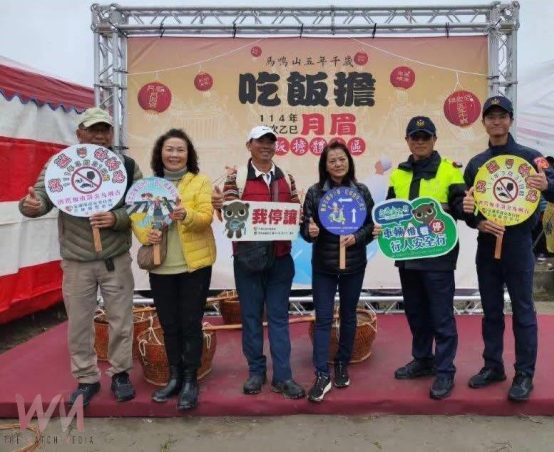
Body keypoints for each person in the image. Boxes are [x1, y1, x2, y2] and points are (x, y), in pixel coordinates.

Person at [18, 107, 142, 407]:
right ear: (80, 133)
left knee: (121, 320)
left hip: (115, 259)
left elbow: (141, 204)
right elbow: (40, 198)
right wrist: (30, 206)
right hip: (76, 261)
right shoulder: (62, 164)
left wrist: (117, 218)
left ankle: (120, 373)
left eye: (104, 129)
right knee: (79, 323)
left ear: (111, 133)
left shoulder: (125, 166)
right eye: (93, 129)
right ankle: (86, 378)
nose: (99, 135)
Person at [461, 96, 554, 402]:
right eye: (491, 117)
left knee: (522, 309)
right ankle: (493, 366)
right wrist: (476, 220)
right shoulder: (477, 164)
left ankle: (524, 374)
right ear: (484, 122)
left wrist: (547, 185)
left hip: (519, 243)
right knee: (491, 310)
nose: (496, 121)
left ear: (510, 120)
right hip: (487, 245)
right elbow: (469, 207)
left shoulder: (532, 157)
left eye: (502, 116)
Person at [374, 116, 466, 400]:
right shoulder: (398, 174)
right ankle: (423, 359)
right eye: (415, 136)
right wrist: (381, 226)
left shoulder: (450, 170)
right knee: (415, 311)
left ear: (435, 140)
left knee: (441, 314)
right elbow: (390, 210)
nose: (420, 141)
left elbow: (461, 208)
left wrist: (462, 205)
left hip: (438, 253)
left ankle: (445, 370)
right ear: (407, 140)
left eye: (426, 137)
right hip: (407, 254)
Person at [211, 125, 305, 399]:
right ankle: (256, 371)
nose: (266, 146)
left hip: (280, 259)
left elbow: (296, 212)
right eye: (259, 141)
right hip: (247, 260)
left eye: (270, 141)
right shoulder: (236, 179)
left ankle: (283, 376)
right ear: (249, 145)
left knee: (278, 317)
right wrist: (220, 204)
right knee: (251, 317)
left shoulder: (287, 178)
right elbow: (230, 213)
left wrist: (301, 218)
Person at [131, 129, 216, 410]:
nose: (175, 154)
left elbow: (205, 217)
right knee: (169, 324)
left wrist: (186, 214)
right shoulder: (148, 185)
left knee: (191, 323)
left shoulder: (200, 182)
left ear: (188, 154)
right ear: (160, 153)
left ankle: (191, 379)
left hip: (194, 266)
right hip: (161, 266)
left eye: (180, 150)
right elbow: (138, 219)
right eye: (169, 149)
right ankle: (174, 377)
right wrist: (147, 235)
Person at [300, 141, 375, 403]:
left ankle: (342, 362)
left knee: (348, 315)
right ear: (325, 165)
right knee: (323, 318)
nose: (338, 164)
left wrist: (357, 237)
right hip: (324, 266)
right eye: (332, 160)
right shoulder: (315, 192)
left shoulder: (361, 191)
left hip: (354, 265)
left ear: (349, 161)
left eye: (342, 159)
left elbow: (371, 227)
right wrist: (310, 232)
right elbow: (305, 229)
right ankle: (322, 374)